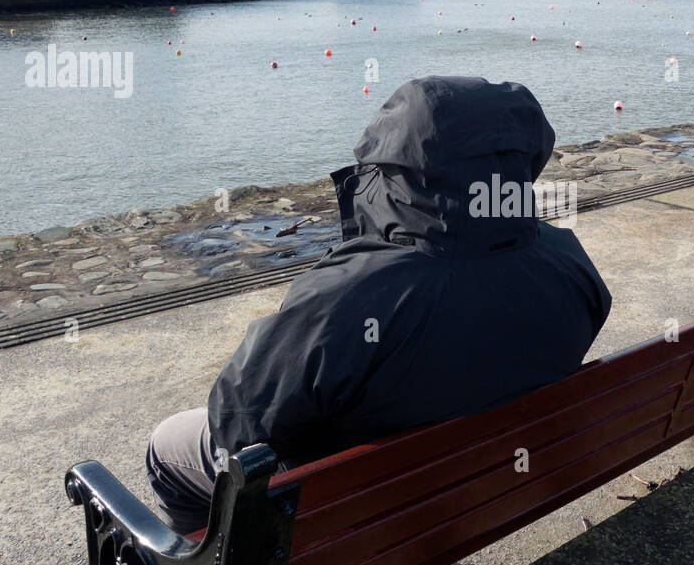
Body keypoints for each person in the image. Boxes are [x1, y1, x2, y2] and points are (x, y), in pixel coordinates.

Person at [147, 76, 612, 532]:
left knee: (167, 444)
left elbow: (238, 424)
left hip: (358, 511)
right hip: (483, 488)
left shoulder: (349, 297)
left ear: (392, 169)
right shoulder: (568, 261)